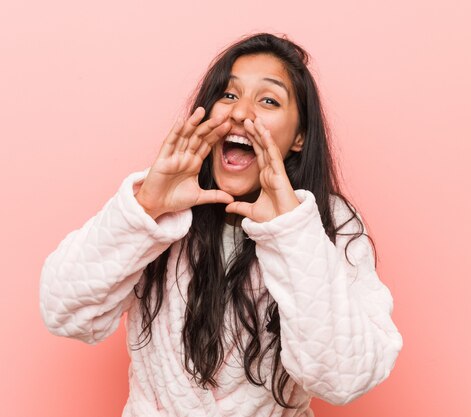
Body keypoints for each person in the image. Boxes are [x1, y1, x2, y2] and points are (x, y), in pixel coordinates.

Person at [39, 32, 403, 417]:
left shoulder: (328, 223)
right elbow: (64, 312)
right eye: (228, 95)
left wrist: (291, 232)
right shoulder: (161, 206)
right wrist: (144, 209)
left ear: (299, 138)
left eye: (268, 100)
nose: (240, 113)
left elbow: (344, 378)